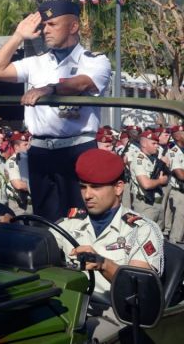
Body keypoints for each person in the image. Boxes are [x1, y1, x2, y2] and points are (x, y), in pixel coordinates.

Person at [0, 0, 112, 221]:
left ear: (73, 27)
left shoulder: (94, 60)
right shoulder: (37, 62)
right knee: (45, 220)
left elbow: (82, 83)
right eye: (43, 25)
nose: (45, 30)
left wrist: (49, 89)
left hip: (77, 149)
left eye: (52, 24)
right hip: (41, 151)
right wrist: (17, 36)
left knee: (80, 220)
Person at [50, 148, 164, 341]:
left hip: (114, 315)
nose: (87, 195)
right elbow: (42, 244)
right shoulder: (70, 223)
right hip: (68, 304)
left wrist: (104, 264)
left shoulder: (141, 230)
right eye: (83, 187)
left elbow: (139, 291)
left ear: (118, 187)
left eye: (95, 187)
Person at [126, 130, 169, 223]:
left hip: (157, 202)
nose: (157, 146)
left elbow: (165, 177)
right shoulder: (139, 160)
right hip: (145, 205)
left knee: (158, 235)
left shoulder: (153, 159)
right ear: (144, 144)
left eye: (157, 143)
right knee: (145, 235)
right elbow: (146, 184)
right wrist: (160, 181)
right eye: (153, 143)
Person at [5, 131, 32, 215]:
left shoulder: (28, 159)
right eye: (25, 145)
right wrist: (37, 186)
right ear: (16, 147)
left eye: (29, 144)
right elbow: (18, 184)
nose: (28, 147)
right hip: (18, 204)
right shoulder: (12, 162)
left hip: (29, 201)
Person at [167, 125, 184, 244]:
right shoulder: (173, 151)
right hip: (178, 190)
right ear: (176, 136)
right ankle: (174, 243)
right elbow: (180, 174)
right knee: (179, 219)